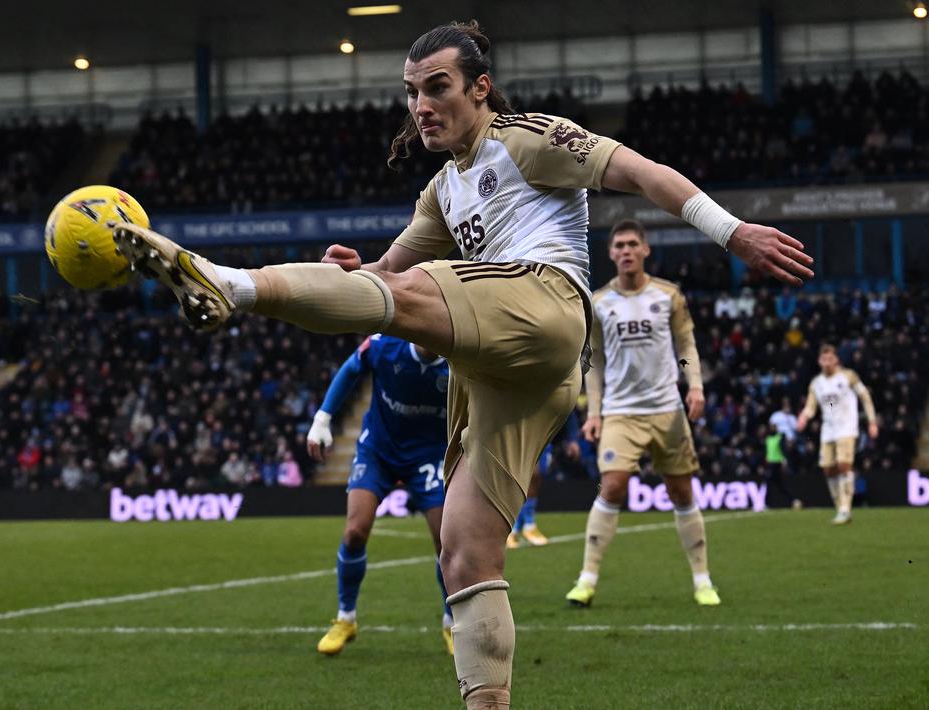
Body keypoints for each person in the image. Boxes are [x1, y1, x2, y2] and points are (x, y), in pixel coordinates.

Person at [112, 21, 811, 709]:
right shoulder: (443, 190)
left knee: (405, 297)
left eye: (436, 87)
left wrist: (732, 232)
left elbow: (639, 171)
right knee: (464, 553)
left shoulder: (527, 138)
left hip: (546, 305)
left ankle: (227, 284)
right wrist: (354, 273)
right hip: (512, 373)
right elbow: (388, 272)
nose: (420, 105)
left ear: (479, 90)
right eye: (411, 92)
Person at [564, 220, 720, 609]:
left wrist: (695, 385)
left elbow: (686, 343)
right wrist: (594, 412)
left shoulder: (668, 295)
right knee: (612, 485)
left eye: (633, 243)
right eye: (619, 245)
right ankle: (586, 580)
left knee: (681, 491)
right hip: (621, 412)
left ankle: (702, 580)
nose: (626, 250)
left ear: (645, 250)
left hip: (667, 409)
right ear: (611, 253)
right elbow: (594, 362)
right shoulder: (599, 302)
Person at [306, 334, 452, 655]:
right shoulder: (385, 346)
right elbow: (349, 369)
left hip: (429, 456)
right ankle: (346, 618)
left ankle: (452, 621)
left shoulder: (460, 364)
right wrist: (322, 419)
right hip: (378, 451)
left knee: (446, 542)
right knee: (355, 531)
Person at [796, 344, 878, 525]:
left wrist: (872, 421)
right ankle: (839, 506)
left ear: (836, 360)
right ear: (819, 361)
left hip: (847, 428)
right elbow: (811, 407)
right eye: (823, 359)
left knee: (843, 466)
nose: (826, 363)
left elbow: (865, 396)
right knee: (828, 469)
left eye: (830, 359)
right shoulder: (816, 384)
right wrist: (803, 418)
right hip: (828, 429)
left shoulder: (848, 376)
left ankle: (845, 509)